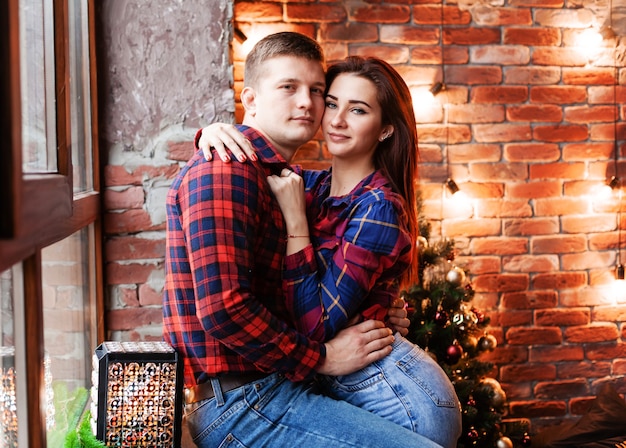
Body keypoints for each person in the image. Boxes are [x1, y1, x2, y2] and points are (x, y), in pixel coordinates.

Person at [163, 31, 444, 448]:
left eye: (316, 91)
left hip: (281, 390)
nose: (309, 105)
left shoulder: (287, 181)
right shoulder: (228, 172)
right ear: (251, 99)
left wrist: (380, 304)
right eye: (289, 88)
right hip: (245, 401)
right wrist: (324, 358)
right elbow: (224, 309)